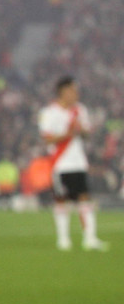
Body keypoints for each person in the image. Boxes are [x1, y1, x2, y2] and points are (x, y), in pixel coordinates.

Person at [38, 76, 107, 251]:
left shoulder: (79, 110)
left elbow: (86, 135)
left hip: (78, 162)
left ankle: (90, 238)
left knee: (85, 198)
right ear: (63, 91)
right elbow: (47, 139)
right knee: (62, 201)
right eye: (73, 90)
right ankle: (63, 240)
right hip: (60, 163)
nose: (76, 93)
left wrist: (82, 131)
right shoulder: (49, 112)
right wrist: (70, 132)